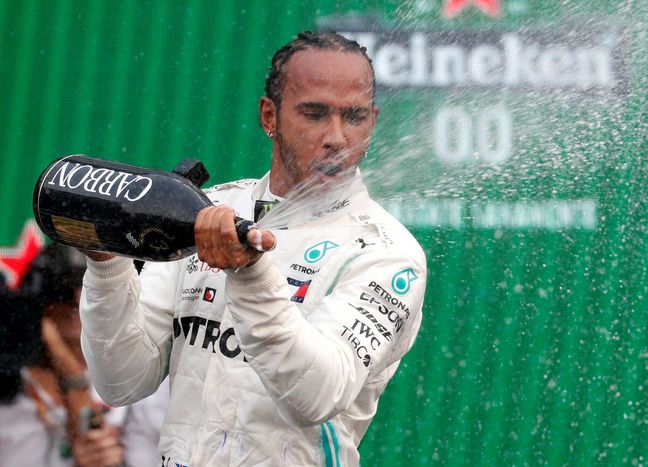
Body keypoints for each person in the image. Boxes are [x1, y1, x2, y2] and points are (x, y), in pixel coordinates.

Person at [79, 30, 427, 466]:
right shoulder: (205, 212)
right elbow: (122, 382)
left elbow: (315, 396)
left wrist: (249, 273)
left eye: (353, 117)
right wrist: (106, 264)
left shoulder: (388, 251)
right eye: (315, 114)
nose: (337, 137)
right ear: (270, 115)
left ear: (372, 121)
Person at [0, 244, 124, 467]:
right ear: (41, 302)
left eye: (90, 291)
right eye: (65, 293)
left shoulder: (125, 375)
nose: (78, 302)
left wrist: (70, 369)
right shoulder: (8, 373)